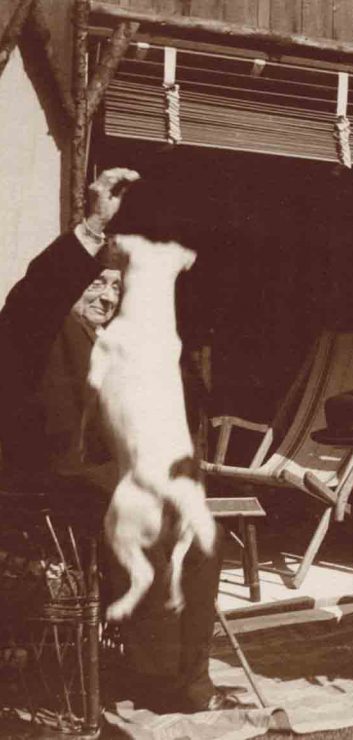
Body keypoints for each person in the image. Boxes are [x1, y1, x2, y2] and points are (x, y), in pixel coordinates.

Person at [0, 169, 243, 714]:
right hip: (47, 481)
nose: (108, 296)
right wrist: (94, 225)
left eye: (115, 287)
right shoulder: (34, 331)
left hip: (110, 476)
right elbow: (37, 294)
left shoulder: (113, 342)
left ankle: (191, 682)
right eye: (96, 285)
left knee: (205, 537)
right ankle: (155, 679)